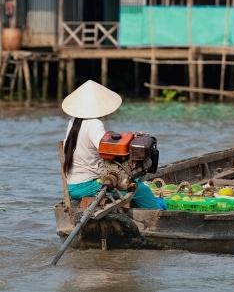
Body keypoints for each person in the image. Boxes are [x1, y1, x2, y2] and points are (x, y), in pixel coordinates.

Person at [61, 80, 164, 209]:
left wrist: (130, 137)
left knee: (131, 183)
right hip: (87, 186)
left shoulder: (73, 122)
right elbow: (108, 151)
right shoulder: (94, 123)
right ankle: (159, 214)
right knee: (141, 190)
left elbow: (106, 141)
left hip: (72, 186)